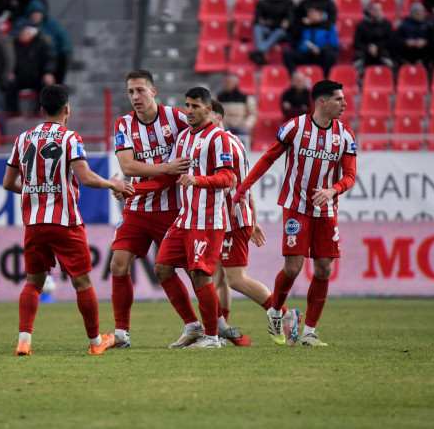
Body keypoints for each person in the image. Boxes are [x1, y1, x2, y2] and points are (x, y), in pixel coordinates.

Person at [2, 83, 134, 356]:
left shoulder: (22, 138)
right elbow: (85, 177)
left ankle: (24, 340)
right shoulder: (70, 138)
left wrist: (36, 191)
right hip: (65, 222)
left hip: (34, 223)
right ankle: (96, 342)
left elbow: (8, 183)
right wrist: (113, 184)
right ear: (67, 110)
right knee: (82, 283)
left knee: (33, 283)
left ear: (42, 110)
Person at [232, 80, 357, 347]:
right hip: (296, 206)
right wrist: (243, 188)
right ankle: (276, 312)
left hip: (326, 210)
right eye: (338, 99)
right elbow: (268, 158)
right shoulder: (295, 127)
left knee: (324, 269)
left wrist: (333, 190)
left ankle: (309, 332)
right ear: (321, 102)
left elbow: (350, 175)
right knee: (293, 268)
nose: (344, 104)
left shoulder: (345, 134)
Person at [129, 87, 234, 349]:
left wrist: (197, 180)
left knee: (200, 275)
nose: (189, 111)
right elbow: (169, 177)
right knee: (162, 268)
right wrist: (133, 190)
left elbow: (227, 177)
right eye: (187, 105)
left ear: (208, 109)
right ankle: (193, 327)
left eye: (195, 106)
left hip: (208, 220)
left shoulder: (218, 138)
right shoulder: (183, 137)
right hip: (184, 218)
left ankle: (213, 338)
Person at [109, 69, 190, 348]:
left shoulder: (177, 118)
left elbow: (201, 140)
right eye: (131, 92)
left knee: (192, 270)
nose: (135, 97)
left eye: (140, 90)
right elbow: (128, 167)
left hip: (172, 208)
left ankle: (210, 327)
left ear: (153, 91)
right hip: (137, 207)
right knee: (118, 264)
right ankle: (121, 334)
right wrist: (166, 167)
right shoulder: (123, 124)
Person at [208, 100, 275, 347]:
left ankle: (282, 312)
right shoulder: (233, 142)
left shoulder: (225, 144)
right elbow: (247, 184)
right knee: (218, 278)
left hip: (232, 220)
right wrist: (254, 220)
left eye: (206, 117)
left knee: (235, 279)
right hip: (224, 221)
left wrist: (249, 218)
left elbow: (238, 185)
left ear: (218, 118)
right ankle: (222, 331)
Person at [12, 0, 72, 84]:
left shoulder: (51, 23)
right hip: (29, 57)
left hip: (49, 55)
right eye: (34, 13)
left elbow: (64, 37)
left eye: (38, 13)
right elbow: (13, 38)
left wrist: (64, 50)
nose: (36, 16)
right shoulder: (22, 23)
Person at [9, 23, 56, 112]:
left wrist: (48, 72)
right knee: (8, 84)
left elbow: (49, 60)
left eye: (23, 32)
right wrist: (9, 71)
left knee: (47, 85)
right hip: (19, 77)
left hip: (37, 77)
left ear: (31, 33)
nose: (20, 34)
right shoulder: (14, 44)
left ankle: (41, 111)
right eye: (20, 32)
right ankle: (13, 112)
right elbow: (8, 60)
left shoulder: (41, 44)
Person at [283, 5, 339, 76]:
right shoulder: (304, 25)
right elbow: (293, 40)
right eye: (308, 13)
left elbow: (334, 44)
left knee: (332, 55)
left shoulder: (328, 26)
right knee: (287, 53)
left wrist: (320, 50)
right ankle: (294, 76)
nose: (309, 15)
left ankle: (325, 77)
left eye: (312, 12)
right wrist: (300, 26)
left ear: (320, 13)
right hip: (305, 53)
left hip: (319, 54)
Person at [250, 0, 294, 66]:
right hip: (268, 30)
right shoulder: (262, 3)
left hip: (281, 31)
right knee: (258, 27)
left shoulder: (288, 3)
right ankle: (260, 53)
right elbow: (257, 19)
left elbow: (289, 19)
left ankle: (259, 52)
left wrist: (284, 23)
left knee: (279, 31)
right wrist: (262, 22)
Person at [352, 1, 395, 78]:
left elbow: (390, 41)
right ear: (368, 10)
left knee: (387, 55)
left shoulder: (386, 24)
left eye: (379, 9)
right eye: (374, 9)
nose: (376, 11)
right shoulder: (361, 25)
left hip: (381, 50)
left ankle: (390, 78)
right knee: (359, 55)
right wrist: (368, 48)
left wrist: (377, 47)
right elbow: (357, 43)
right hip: (366, 51)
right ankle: (357, 79)